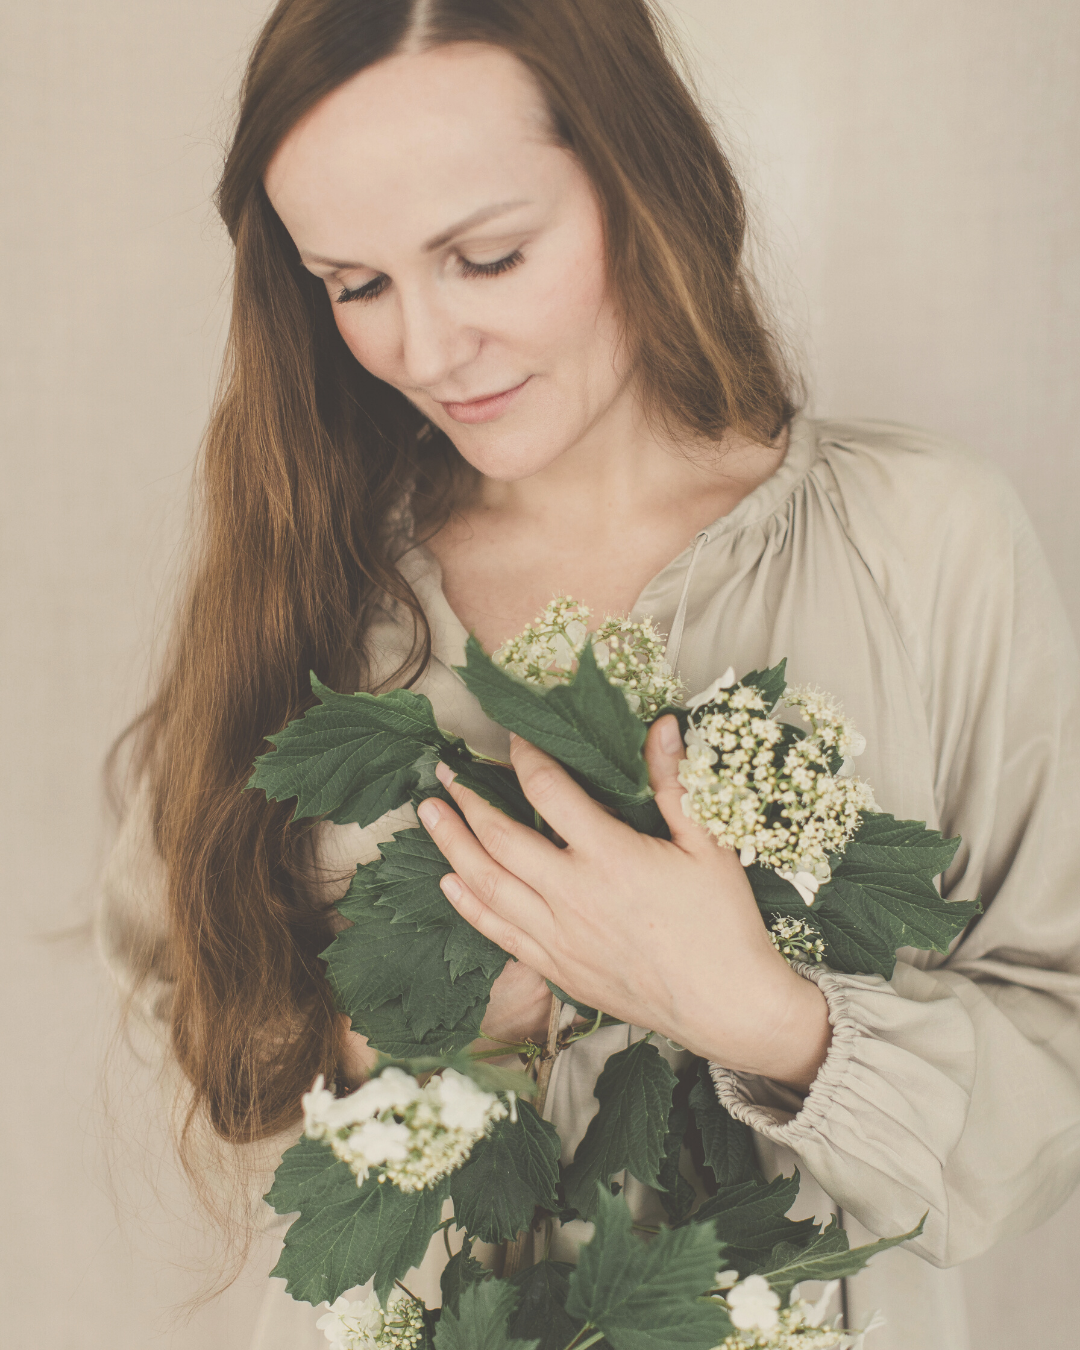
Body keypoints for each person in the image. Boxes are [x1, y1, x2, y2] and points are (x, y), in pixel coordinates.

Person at [96, 2, 1080, 1348]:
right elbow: (190, 1011)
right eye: (356, 286)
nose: (428, 353)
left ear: (637, 178)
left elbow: (1060, 1068)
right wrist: (409, 1029)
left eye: (487, 258)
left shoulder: (927, 546)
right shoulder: (304, 575)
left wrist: (766, 1017)